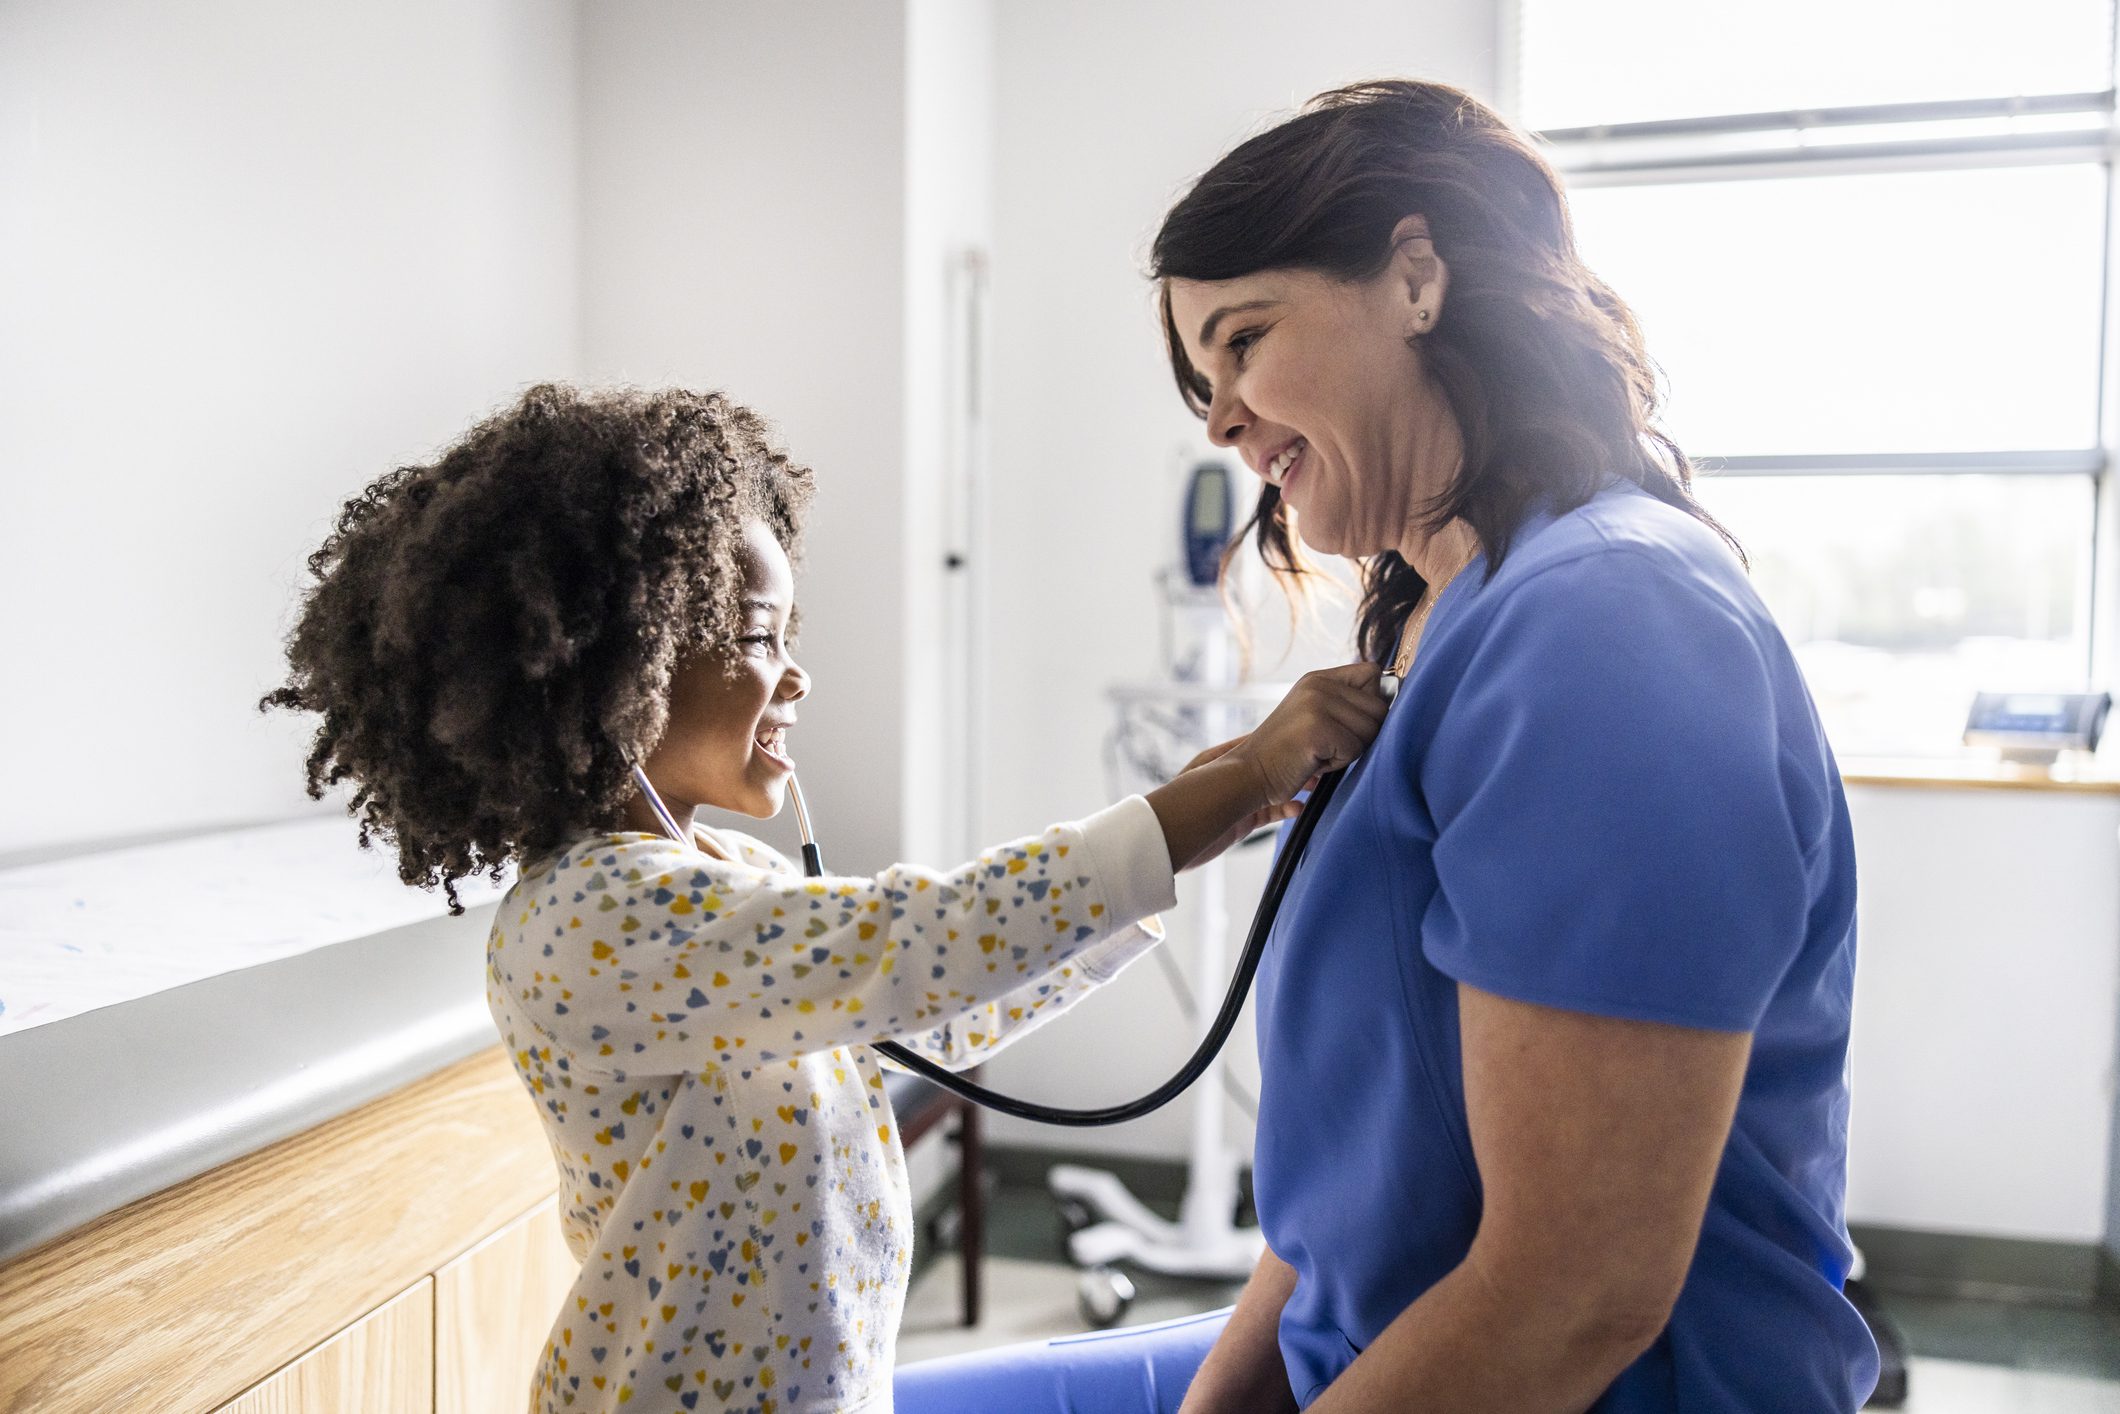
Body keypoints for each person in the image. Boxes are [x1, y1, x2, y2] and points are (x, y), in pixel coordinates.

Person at [895, 79, 1878, 1413]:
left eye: (1244, 340)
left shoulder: (1605, 625)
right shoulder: (1447, 620)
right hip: (1351, 1344)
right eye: (1201, 375)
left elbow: (1572, 1295)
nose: (1219, 418)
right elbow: (1350, 1210)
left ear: (1416, 276)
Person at [262, 382, 1386, 1414]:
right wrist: (1233, 783)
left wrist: (1209, 813)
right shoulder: (589, 922)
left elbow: (925, 1011)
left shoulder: (719, 880)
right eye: (758, 637)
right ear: (620, 664)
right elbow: (919, 942)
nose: (793, 674)